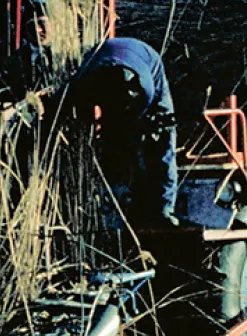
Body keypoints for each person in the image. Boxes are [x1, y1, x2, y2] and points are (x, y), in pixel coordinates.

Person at [55, 37, 178, 227]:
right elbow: (65, 100)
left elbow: (148, 134)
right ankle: (112, 198)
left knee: (162, 138)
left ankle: (164, 208)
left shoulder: (145, 89)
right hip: (103, 56)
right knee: (111, 139)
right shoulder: (86, 80)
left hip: (147, 64)